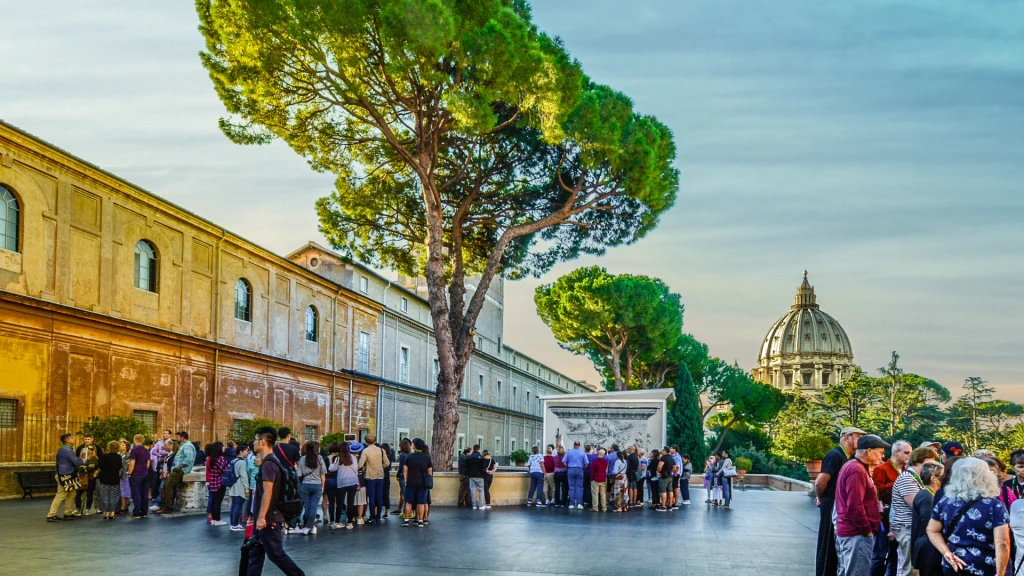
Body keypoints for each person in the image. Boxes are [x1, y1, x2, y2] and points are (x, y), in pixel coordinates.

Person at [926, 457, 1009, 576]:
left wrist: (946, 552)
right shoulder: (995, 506)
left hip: (954, 565)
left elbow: (932, 530)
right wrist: (1000, 573)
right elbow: (1002, 543)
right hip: (984, 566)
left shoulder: (946, 501)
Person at [246, 426, 305, 576]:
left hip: (269, 517)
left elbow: (268, 492)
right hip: (266, 516)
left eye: (256, 439)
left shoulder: (269, 464)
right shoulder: (272, 461)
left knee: (275, 554)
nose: (254, 443)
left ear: (263, 442)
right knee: (255, 553)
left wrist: (261, 517)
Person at [834, 434, 890, 576]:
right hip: (856, 534)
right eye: (881, 453)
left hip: (853, 532)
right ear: (869, 451)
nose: (882, 457)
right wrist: (866, 530)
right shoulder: (856, 469)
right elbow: (855, 506)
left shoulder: (854, 466)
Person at [816, 426, 867, 576]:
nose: (860, 440)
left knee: (834, 544)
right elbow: (820, 482)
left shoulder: (847, 457)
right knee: (827, 544)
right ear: (846, 437)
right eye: (857, 437)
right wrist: (821, 499)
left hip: (836, 503)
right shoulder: (835, 455)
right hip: (831, 502)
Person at [889, 447, 939, 576]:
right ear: (919, 461)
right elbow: (916, 504)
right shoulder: (908, 478)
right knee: (909, 569)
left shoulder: (915, 478)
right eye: (931, 462)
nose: (934, 466)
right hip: (907, 528)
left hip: (912, 528)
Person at [871, 440, 911, 576]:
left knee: (895, 555)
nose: (908, 456)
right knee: (880, 555)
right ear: (895, 452)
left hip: (899, 518)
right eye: (906, 453)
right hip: (884, 517)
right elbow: (876, 492)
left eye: (910, 453)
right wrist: (899, 484)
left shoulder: (906, 470)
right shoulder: (881, 469)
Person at [911, 462, 944, 576]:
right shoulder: (926, 497)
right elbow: (928, 523)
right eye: (943, 477)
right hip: (927, 547)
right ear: (934, 479)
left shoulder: (927, 494)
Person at [47, 433, 85, 521]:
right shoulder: (66, 450)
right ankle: (51, 515)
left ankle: (68, 512)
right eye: (72, 438)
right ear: (67, 440)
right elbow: (77, 462)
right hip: (65, 475)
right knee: (61, 495)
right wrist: (86, 459)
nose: (73, 439)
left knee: (71, 494)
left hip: (67, 474)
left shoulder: (66, 449)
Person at [156, 431, 195, 514]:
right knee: (166, 485)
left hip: (181, 470)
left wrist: (179, 467)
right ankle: (164, 506)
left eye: (177, 437)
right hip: (177, 469)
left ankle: (167, 507)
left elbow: (189, 459)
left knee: (168, 485)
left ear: (182, 438)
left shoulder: (188, 446)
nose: (176, 439)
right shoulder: (183, 445)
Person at [357, 434, 390, 524]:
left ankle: (372, 516)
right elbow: (387, 463)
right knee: (379, 496)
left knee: (371, 497)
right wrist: (380, 467)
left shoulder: (365, 451)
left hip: (369, 476)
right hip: (380, 475)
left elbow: (360, 465)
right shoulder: (381, 450)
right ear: (375, 440)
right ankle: (378, 516)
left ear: (366, 441)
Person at [296, 441, 326, 535]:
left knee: (307, 507)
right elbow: (323, 475)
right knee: (313, 507)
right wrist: (323, 486)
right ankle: (309, 526)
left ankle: (307, 526)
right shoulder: (320, 458)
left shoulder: (302, 459)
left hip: (305, 485)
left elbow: (299, 475)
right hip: (317, 485)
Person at [1002, 450, 1024, 574]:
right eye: (1020, 466)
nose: (1023, 470)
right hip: (1008, 528)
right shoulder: (1007, 485)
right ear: (1013, 466)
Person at [402, 438, 433, 528]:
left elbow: (405, 469)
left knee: (409, 502)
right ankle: (420, 520)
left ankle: (406, 520)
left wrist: (406, 480)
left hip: (411, 482)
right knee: (421, 502)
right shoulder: (427, 457)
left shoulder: (409, 456)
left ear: (414, 446)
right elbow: (429, 471)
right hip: (423, 483)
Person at [329, 441, 359, 529]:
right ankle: (349, 522)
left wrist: (331, 461)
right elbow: (356, 470)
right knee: (350, 503)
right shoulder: (353, 458)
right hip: (352, 481)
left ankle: (337, 522)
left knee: (340, 503)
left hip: (342, 482)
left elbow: (331, 469)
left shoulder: (339, 459)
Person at [74, 434, 102, 515]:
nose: (87, 440)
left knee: (91, 492)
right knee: (79, 492)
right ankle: (78, 508)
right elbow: (77, 460)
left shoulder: (97, 449)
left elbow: (100, 461)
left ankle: (88, 508)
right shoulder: (80, 448)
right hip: (82, 473)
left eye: (88, 439)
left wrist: (97, 471)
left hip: (92, 474)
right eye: (85, 439)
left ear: (92, 439)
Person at [126, 433, 151, 519]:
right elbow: (148, 463)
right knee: (144, 493)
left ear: (135, 440)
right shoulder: (146, 450)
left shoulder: (134, 450)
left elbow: (132, 463)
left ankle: (136, 513)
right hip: (145, 473)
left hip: (136, 474)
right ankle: (144, 512)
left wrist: (129, 473)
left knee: (136, 494)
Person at [97, 440, 123, 521]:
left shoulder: (105, 456)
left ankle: (106, 513)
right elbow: (119, 467)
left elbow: (100, 466)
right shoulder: (119, 457)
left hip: (104, 478)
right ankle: (112, 513)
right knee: (114, 496)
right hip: (115, 479)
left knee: (104, 496)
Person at [228, 443, 252, 531]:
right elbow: (244, 476)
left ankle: (233, 523)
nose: (247, 452)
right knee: (238, 506)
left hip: (233, 486)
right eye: (246, 450)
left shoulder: (233, 461)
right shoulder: (242, 462)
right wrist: (247, 488)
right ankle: (235, 524)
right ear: (241, 451)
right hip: (240, 487)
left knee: (234, 506)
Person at [205, 441, 228, 526]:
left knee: (214, 502)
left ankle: (214, 519)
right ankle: (217, 519)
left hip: (212, 482)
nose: (224, 448)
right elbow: (224, 470)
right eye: (223, 446)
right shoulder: (221, 458)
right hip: (219, 483)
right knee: (218, 502)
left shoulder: (211, 459)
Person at [563, 440, 589, 509]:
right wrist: (583, 468)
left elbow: (564, 461)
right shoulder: (582, 453)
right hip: (579, 470)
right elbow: (587, 463)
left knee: (571, 488)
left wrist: (567, 467)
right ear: (579, 445)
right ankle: (579, 503)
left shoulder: (569, 452)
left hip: (570, 469)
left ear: (573, 445)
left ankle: (571, 504)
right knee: (579, 487)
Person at [149, 430, 171, 503]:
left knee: (164, 480)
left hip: (167, 462)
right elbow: (153, 451)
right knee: (156, 479)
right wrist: (160, 454)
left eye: (165, 433)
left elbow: (169, 452)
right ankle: (154, 497)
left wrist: (162, 453)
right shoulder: (159, 442)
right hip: (159, 462)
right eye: (163, 433)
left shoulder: (171, 443)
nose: (164, 434)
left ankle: (162, 498)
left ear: (169, 435)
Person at [465, 444, 486, 510]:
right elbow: (483, 468)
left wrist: (469, 474)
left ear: (473, 449)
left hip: (471, 476)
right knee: (481, 490)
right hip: (480, 476)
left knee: (472, 490)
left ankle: (474, 505)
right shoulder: (481, 457)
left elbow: (466, 468)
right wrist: (483, 474)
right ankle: (481, 504)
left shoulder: (469, 457)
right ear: (479, 449)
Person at [395, 439, 412, 517]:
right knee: (407, 493)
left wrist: (398, 474)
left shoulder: (402, 455)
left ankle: (406, 512)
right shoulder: (410, 454)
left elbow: (401, 467)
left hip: (402, 476)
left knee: (404, 493)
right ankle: (408, 511)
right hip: (410, 475)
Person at [590, 447, 609, 512]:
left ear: (598, 453)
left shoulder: (595, 461)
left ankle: (595, 507)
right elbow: (606, 470)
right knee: (603, 494)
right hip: (603, 478)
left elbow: (592, 471)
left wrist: (591, 478)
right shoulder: (605, 461)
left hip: (595, 479)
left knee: (595, 494)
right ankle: (604, 508)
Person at [658, 447, 676, 511]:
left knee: (663, 491)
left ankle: (663, 506)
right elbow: (674, 468)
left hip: (663, 476)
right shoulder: (672, 458)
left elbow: (660, 466)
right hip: (670, 476)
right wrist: (670, 471)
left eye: (662, 450)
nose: (662, 451)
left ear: (665, 451)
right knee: (670, 491)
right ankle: (670, 505)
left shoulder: (663, 458)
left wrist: (658, 471)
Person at [118, 439, 131, 515]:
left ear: (126, 447)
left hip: (124, 475)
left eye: (123, 445)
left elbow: (128, 465)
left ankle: (124, 506)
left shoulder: (128, 455)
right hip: (116, 475)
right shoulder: (117, 454)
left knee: (124, 491)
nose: (121, 446)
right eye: (120, 444)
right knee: (118, 491)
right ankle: (118, 506)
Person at [381, 442, 394, 519]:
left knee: (379, 495)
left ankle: (378, 511)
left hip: (381, 477)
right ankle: (386, 511)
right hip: (387, 477)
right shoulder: (390, 457)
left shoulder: (381, 458)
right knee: (386, 495)